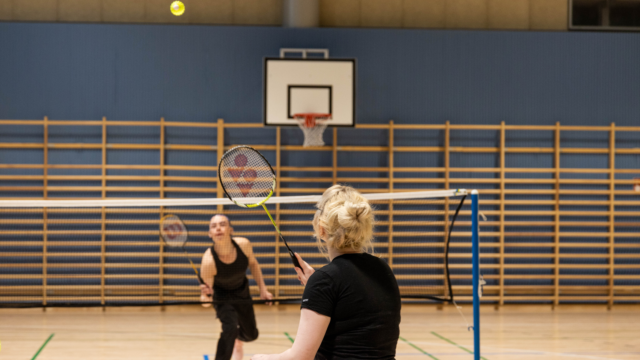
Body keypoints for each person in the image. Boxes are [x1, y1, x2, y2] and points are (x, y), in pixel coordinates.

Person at [251, 185, 401, 360]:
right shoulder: (383, 268)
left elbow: (299, 357)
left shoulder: (325, 281)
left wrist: (259, 358)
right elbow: (353, 306)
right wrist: (320, 290)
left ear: (321, 229)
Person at [200, 214, 274, 360]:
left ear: (230, 229)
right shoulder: (208, 261)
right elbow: (205, 301)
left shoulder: (244, 245)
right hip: (222, 298)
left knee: (252, 335)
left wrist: (263, 289)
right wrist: (206, 297)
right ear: (210, 234)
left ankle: (237, 338)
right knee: (230, 327)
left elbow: (253, 264)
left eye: (222, 224)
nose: (218, 228)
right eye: (214, 226)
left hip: (242, 292)